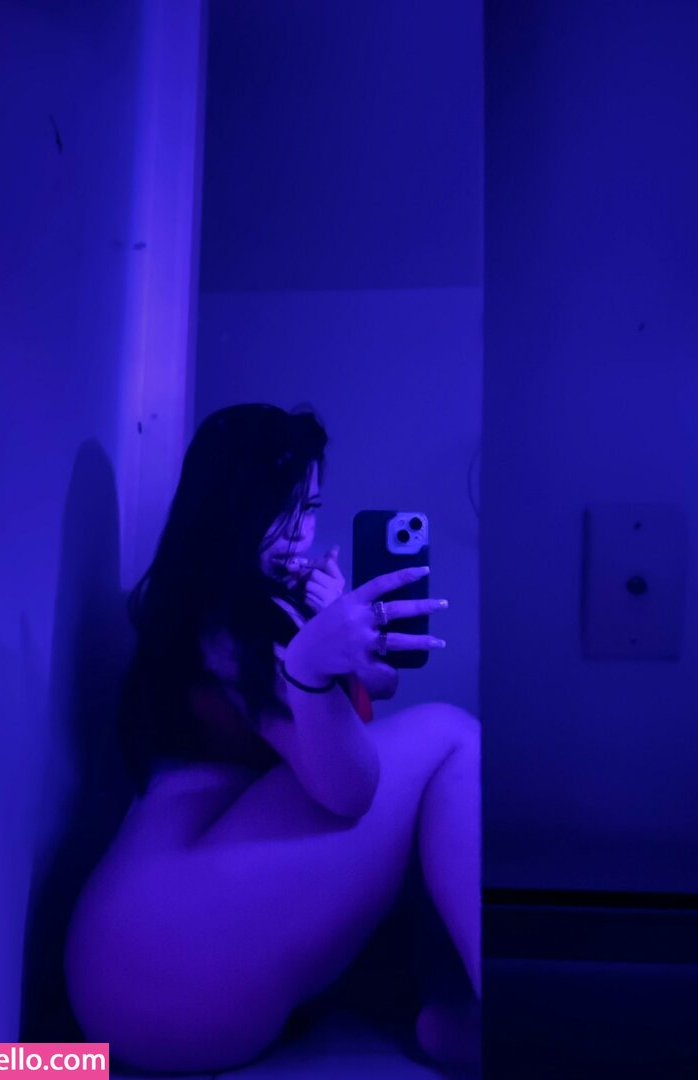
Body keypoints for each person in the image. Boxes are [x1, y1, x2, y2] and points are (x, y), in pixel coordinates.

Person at [63, 403, 481, 1074]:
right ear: (228, 504)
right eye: (277, 507)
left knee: (428, 812)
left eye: (309, 508)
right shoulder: (233, 617)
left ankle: (452, 1011)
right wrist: (312, 666)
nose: (298, 532)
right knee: (452, 737)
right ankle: (493, 1007)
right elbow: (350, 790)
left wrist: (329, 639)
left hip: (123, 970)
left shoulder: (195, 602)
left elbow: (361, 704)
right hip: (170, 946)